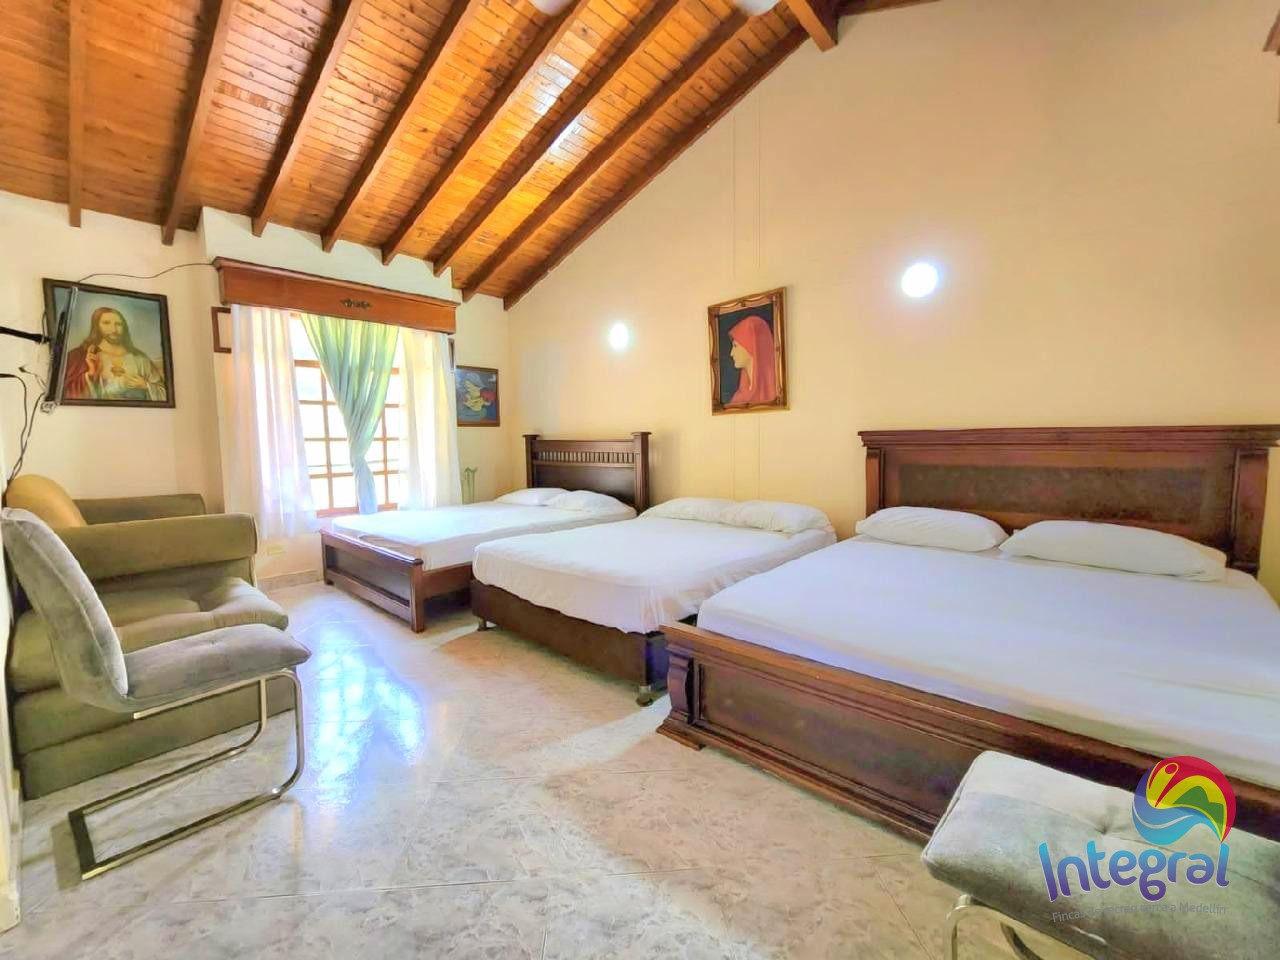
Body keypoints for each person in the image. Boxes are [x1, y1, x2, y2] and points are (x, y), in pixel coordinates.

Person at [61, 306, 167, 402]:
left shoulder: (140, 358)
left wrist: (147, 386)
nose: (114, 329)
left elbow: (165, 393)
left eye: (119, 324)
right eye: (106, 323)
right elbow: (66, 392)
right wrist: (91, 374)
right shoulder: (79, 356)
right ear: (96, 326)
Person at [726, 313, 778, 405]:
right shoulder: (738, 397)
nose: (731, 353)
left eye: (735, 346)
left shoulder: (773, 394)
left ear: (752, 345)